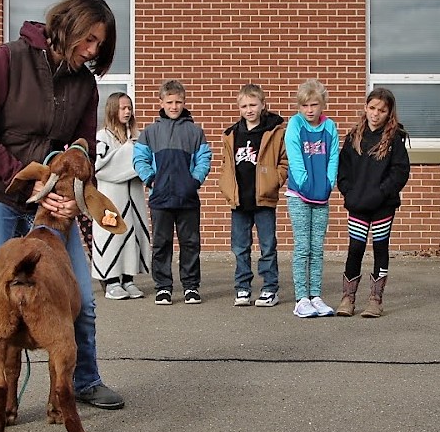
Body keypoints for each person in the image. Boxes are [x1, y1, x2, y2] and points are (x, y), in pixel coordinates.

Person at [0, 0, 125, 432]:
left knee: (79, 292)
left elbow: (83, 146)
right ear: (66, 25)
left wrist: (70, 192)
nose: (91, 51)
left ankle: (82, 381)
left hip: (48, 202)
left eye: (99, 47)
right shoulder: (9, 59)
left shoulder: (85, 84)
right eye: (88, 40)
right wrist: (26, 180)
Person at [133, 79, 212, 306]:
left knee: (190, 243)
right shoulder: (150, 132)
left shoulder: (195, 132)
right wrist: (151, 179)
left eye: (178, 102)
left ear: (184, 102)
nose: (174, 106)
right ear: (162, 102)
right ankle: (163, 288)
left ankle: (191, 287)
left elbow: (204, 159)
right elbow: (140, 159)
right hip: (160, 199)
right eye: (170, 102)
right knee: (161, 244)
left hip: (187, 198)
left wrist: (194, 181)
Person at [335, 87, 410, 318]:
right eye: (372, 108)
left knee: (380, 248)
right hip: (358, 203)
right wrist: (349, 193)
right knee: (355, 248)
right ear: (365, 108)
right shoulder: (354, 136)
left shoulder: (394, 138)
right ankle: (348, 298)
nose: (376, 114)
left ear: (389, 113)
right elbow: (343, 170)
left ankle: (375, 299)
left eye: (382, 110)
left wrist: (382, 193)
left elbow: (400, 172)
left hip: (382, 205)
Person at [218, 83, 288, 308]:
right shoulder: (231, 134)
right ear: (239, 108)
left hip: (263, 199)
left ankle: (269, 288)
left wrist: (275, 180)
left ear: (263, 105)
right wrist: (226, 187)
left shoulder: (274, 131)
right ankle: (242, 288)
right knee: (240, 247)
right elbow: (225, 165)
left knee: (267, 246)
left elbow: (283, 161)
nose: (249, 109)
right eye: (244, 106)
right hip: (239, 201)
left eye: (253, 105)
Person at [283, 79, 340, 317]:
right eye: (305, 105)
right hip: (300, 195)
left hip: (322, 196)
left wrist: (328, 184)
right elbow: (295, 160)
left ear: (322, 104)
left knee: (317, 248)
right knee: (302, 247)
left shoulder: (329, 127)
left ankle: (316, 295)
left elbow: (333, 158)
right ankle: (301, 298)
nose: (310, 110)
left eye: (314, 105)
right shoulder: (295, 125)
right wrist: (306, 184)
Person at [91, 92, 151, 300]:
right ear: (113, 109)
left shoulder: (136, 135)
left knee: (132, 235)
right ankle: (111, 281)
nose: (127, 112)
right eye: (123, 108)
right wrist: (127, 153)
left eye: (129, 108)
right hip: (110, 197)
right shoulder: (103, 136)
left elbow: (145, 161)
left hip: (133, 195)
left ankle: (128, 279)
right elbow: (98, 167)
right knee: (111, 234)